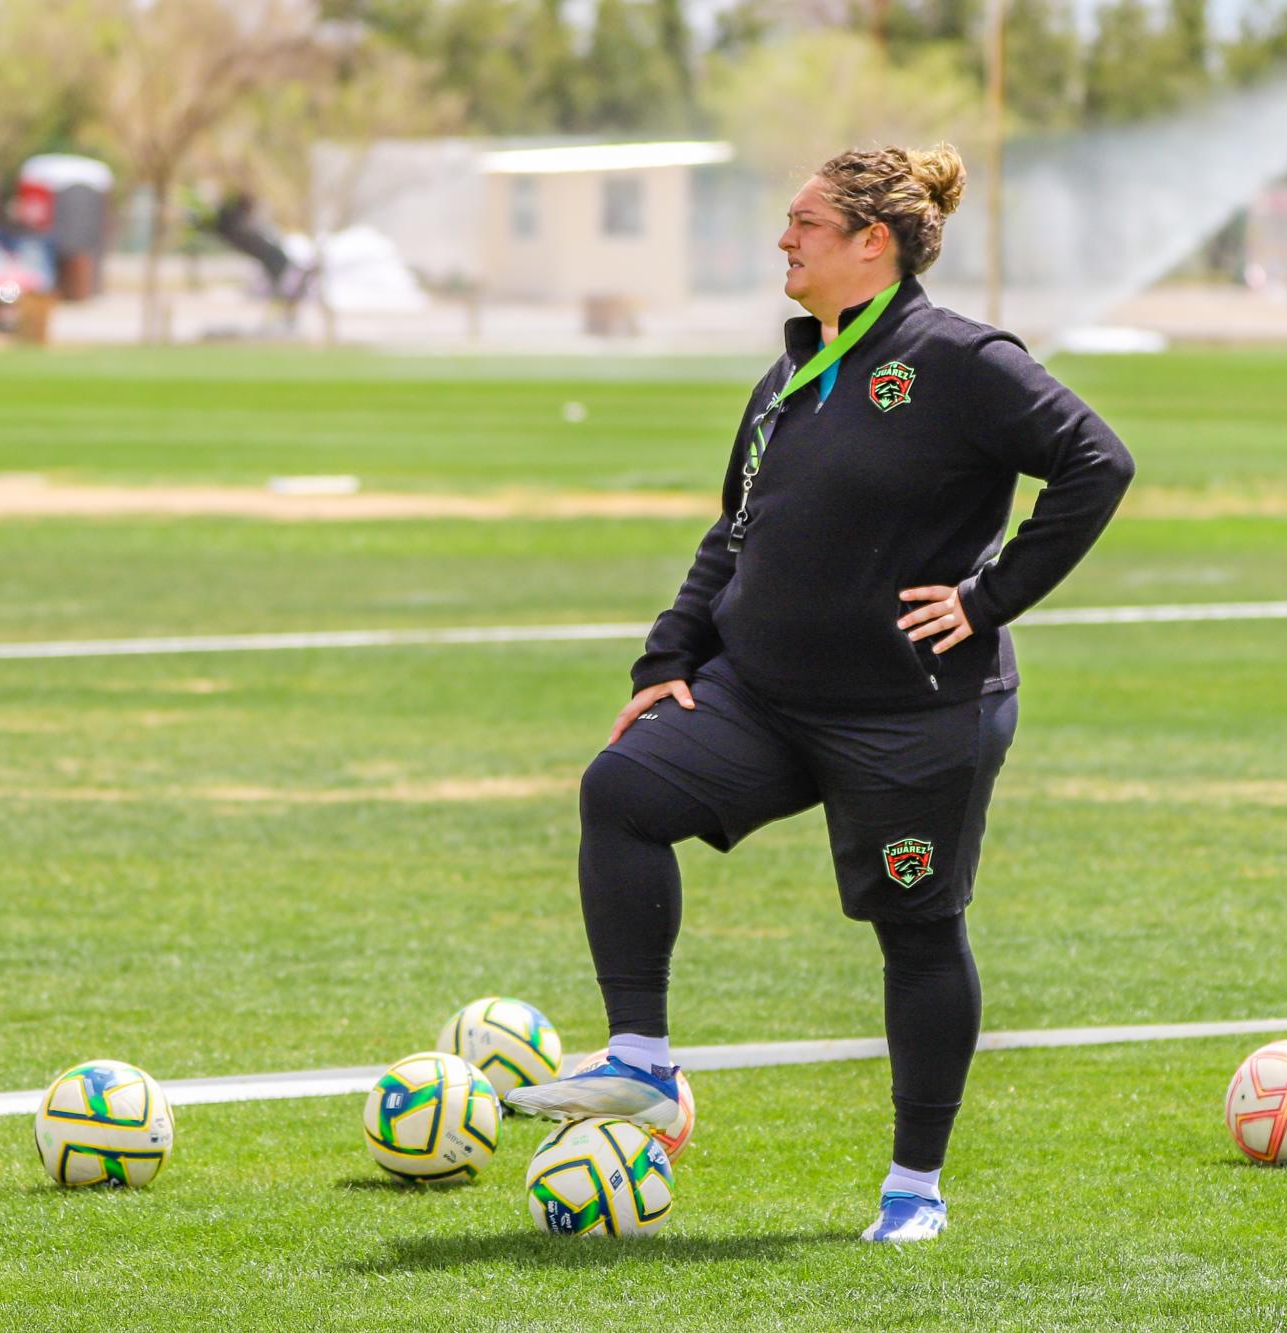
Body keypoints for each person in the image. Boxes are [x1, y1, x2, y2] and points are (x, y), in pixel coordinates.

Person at [507, 144, 1135, 1242]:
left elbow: (1096, 460)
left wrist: (991, 599)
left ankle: (912, 1190)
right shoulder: (790, 374)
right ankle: (642, 1063)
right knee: (621, 792)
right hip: (761, 695)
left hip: (913, 717)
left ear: (868, 242)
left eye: (801, 222)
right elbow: (734, 533)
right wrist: (664, 662)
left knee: (917, 932)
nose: (782, 240)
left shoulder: (959, 359)